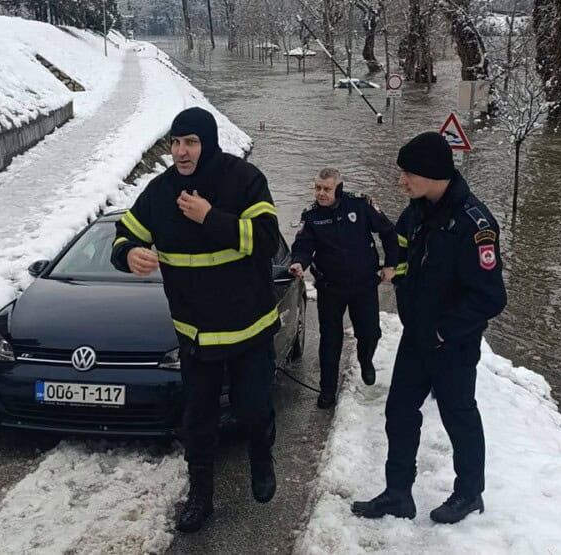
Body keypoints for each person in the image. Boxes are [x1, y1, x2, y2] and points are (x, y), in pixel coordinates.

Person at [111, 107, 280, 533]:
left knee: (252, 409)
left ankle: (261, 458)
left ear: (209, 143)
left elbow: (266, 240)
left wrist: (210, 217)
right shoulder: (159, 192)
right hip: (196, 337)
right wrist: (129, 254)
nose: (181, 152)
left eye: (191, 142)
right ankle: (200, 497)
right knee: (198, 421)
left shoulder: (244, 180)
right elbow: (124, 234)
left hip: (249, 331)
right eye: (176, 142)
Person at [351, 131, 507, 524]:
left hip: (453, 344)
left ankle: (469, 494)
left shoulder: (475, 224)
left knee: (459, 416)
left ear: (433, 174)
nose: (401, 181)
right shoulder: (416, 212)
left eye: (408, 173)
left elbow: (490, 297)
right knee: (399, 412)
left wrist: (443, 331)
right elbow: (401, 253)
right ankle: (398, 494)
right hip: (417, 336)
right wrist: (403, 289)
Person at [289, 168, 397, 409]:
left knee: (370, 332)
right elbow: (303, 246)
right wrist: (298, 263)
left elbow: (388, 232)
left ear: (338, 189)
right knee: (330, 341)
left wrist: (391, 264)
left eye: (326, 189)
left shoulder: (360, 205)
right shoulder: (312, 216)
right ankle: (327, 390)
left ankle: (365, 360)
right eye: (317, 188)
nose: (321, 193)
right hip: (330, 288)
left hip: (364, 285)